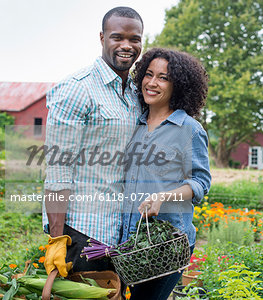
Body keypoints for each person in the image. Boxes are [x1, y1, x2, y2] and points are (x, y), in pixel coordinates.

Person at [43, 7, 143, 277]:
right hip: (81, 232)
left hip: (118, 231)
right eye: (117, 37)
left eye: (135, 39)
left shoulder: (134, 92)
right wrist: (56, 239)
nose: (127, 45)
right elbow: (57, 169)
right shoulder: (79, 88)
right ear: (102, 38)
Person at [120, 48, 211, 300]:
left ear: (178, 85)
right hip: (130, 242)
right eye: (148, 75)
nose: (152, 83)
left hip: (167, 243)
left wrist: (163, 197)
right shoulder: (133, 124)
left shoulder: (189, 129)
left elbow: (201, 182)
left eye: (163, 77)